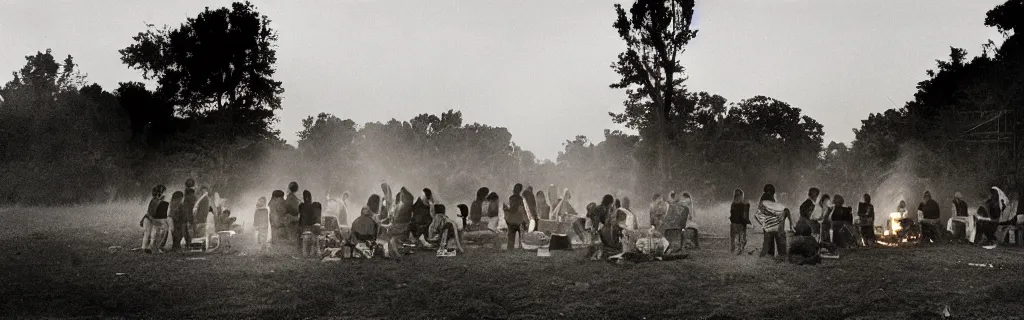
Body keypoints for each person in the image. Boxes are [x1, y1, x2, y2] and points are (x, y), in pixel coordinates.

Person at [756, 184, 788, 259]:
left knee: (769, 241)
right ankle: (781, 256)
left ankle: (770, 256)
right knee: (779, 240)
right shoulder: (769, 198)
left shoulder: (763, 198)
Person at [141, 185, 168, 253]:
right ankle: (148, 248)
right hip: (150, 218)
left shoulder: (155, 200)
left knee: (151, 233)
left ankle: (148, 247)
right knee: (150, 233)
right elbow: (152, 213)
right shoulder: (156, 201)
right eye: (164, 192)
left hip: (151, 219)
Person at [504, 183, 529, 250]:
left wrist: (507, 210)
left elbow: (513, 209)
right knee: (518, 239)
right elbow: (520, 210)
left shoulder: (514, 198)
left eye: (516, 189)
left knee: (511, 240)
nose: (515, 190)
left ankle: (513, 249)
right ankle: (519, 248)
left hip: (514, 220)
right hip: (517, 220)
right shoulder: (519, 199)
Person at [298, 190, 322, 256]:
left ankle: (305, 253)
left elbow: (301, 219)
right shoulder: (316, 205)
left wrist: (300, 227)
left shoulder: (302, 206)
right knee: (316, 241)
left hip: (305, 228)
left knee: (305, 242)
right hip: (314, 228)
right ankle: (316, 252)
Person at [662, 192, 686, 257]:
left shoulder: (671, 206)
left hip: (671, 226)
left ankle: (669, 250)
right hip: (676, 226)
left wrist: (664, 222)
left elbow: (668, 216)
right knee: (674, 240)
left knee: (669, 240)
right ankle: (675, 249)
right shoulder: (680, 207)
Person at [729, 189, 751, 255]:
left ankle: (733, 249)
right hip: (741, 224)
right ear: (742, 195)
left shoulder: (733, 203)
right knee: (741, 237)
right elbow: (746, 215)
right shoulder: (745, 204)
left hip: (734, 223)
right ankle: (740, 248)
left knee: (733, 237)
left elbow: (731, 213)